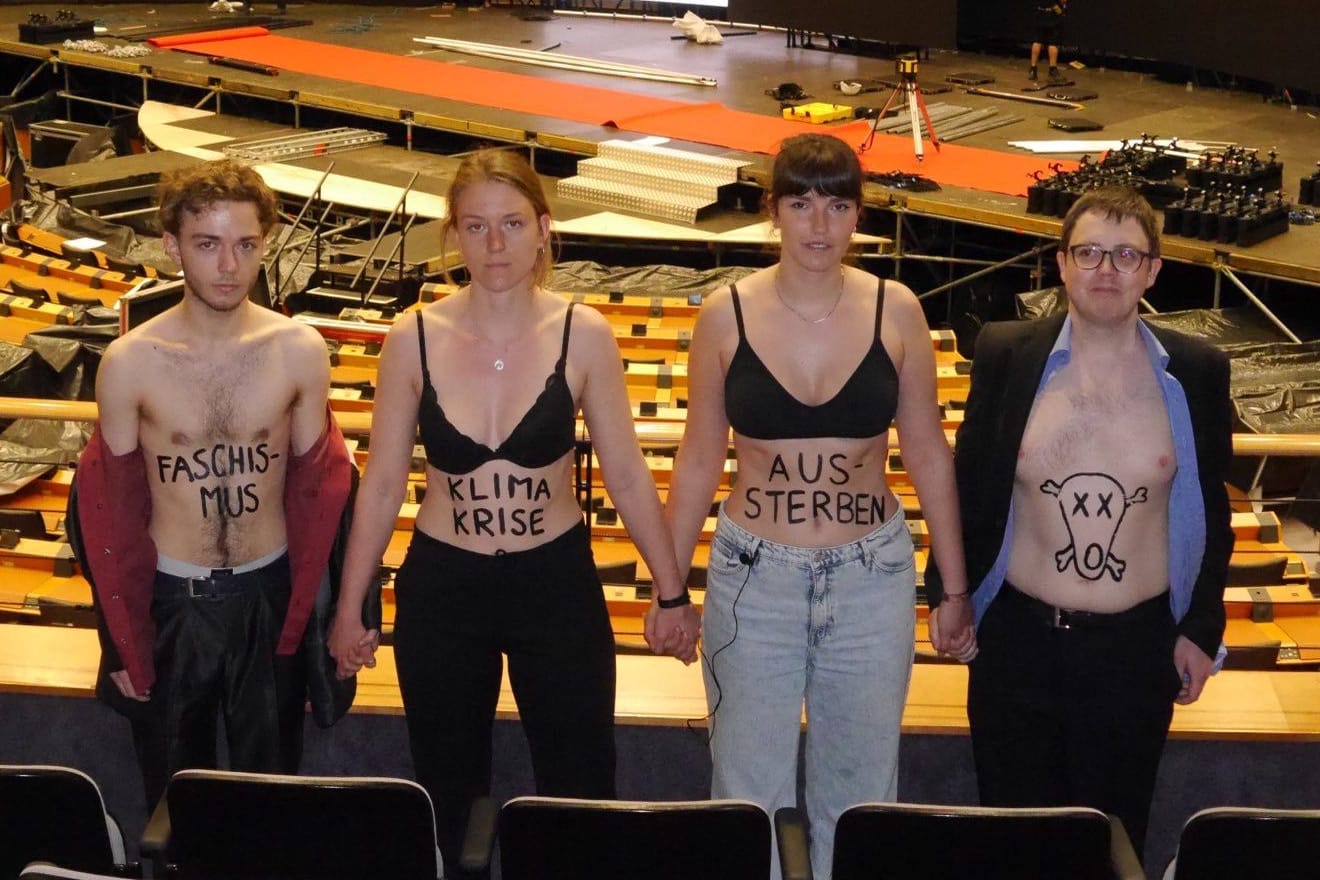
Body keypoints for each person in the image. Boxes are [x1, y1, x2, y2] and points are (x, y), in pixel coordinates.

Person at [329, 149, 699, 878]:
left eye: (510, 224)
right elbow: (380, 485)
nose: (494, 245)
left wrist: (672, 589)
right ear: (454, 237)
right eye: (476, 227)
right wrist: (350, 608)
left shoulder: (583, 332)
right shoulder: (414, 336)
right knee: (447, 788)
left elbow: (626, 472)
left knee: (580, 786)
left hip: (553, 584)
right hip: (443, 588)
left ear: (543, 228)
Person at [665, 133, 975, 880]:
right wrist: (670, 588)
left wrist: (954, 587)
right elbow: (700, 456)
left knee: (862, 798)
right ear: (774, 211)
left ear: (856, 215)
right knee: (746, 793)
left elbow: (929, 451)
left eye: (837, 206)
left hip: (871, 578)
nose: (818, 224)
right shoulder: (724, 312)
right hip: (753, 578)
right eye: (801, 204)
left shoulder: (895, 310)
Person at [925, 186, 1234, 856]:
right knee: (1013, 843)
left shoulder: (1199, 372)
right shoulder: (1007, 353)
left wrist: (1202, 628)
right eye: (1089, 252)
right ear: (1061, 263)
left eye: (1126, 255)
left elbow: (1213, 509)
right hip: (1016, 646)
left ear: (1153, 270)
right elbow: (969, 481)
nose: (1106, 270)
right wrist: (948, 595)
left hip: (1135, 652)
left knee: (1111, 843)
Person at [76, 158, 353, 810]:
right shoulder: (130, 363)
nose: (228, 265)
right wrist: (119, 636)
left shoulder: (299, 350)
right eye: (208, 245)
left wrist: (342, 614)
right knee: (174, 804)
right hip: (176, 604)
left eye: (245, 245)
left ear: (265, 244)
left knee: (272, 798)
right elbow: (107, 513)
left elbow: (325, 496)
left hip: (268, 594)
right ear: (173, 245)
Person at [1029, 0, 1067, 81]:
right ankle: (1052, 70)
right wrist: (1061, 9)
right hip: (1053, 14)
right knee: (1053, 43)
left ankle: (1033, 69)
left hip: (1040, 12)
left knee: (1037, 41)